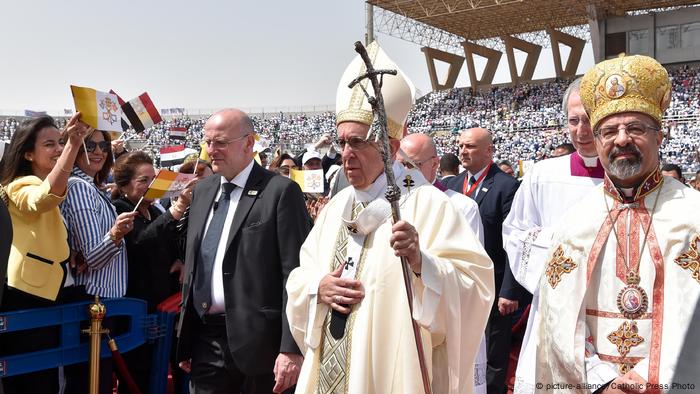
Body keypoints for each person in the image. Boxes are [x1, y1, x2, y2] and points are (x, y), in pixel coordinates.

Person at [286, 41, 494, 393]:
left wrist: (421, 263)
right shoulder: (335, 208)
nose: (346, 155)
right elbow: (301, 274)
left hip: (391, 372)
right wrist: (316, 288)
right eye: (342, 144)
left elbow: (474, 286)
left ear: (391, 147)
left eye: (358, 142)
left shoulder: (427, 204)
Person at [536, 55, 700, 391]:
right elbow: (559, 317)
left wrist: (648, 377)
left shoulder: (693, 214)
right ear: (597, 143)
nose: (621, 139)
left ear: (660, 136)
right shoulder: (576, 221)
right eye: (609, 131)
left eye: (636, 128)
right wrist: (602, 380)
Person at [175, 108, 311, 394]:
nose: (212, 150)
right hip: (206, 341)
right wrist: (186, 338)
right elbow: (196, 262)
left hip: (262, 346)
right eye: (207, 142)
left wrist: (291, 348)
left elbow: (296, 274)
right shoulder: (202, 191)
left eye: (221, 142)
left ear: (249, 143)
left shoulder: (280, 192)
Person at [502, 77, 605, 394]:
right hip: (553, 308)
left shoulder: (627, 176)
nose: (581, 130)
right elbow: (515, 233)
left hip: (607, 313)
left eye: (589, 120)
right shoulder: (543, 175)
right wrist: (563, 254)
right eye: (574, 121)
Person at [0, 114, 90, 394]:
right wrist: (75, 144)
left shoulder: (42, 183)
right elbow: (44, 198)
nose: (59, 149)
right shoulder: (19, 185)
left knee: (46, 375)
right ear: (28, 153)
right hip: (27, 294)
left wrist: (68, 253)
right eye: (50, 144)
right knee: (32, 380)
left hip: (45, 292)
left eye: (61, 142)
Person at [398, 132, 488, 393]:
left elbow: (468, 276)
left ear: (435, 164)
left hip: (446, 319)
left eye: (411, 165)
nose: (405, 172)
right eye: (400, 165)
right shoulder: (394, 205)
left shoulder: (461, 207)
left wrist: (422, 263)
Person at [60, 128, 138, 394]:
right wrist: (116, 233)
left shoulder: (92, 187)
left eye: (103, 145)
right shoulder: (79, 187)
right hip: (92, 303)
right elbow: (93, 256)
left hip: (102, 301)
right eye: (89, 145)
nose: (98, 151)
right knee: (91, 384)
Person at [448, 127, 524, 394]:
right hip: (457, 286)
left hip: (493, 287)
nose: (462, 151)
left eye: (469, 146)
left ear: (489, 150)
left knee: (492, 353)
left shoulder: (506, 187)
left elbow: (514, 243)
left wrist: (509, 290)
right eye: (460, 146)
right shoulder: (452, 186)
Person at [111, 151, 193, 392]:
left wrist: (179, 258)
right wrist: (177, 208)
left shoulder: (155, 212)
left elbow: (170, 241)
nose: (150, 186)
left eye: (153, 179)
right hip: (137, 313)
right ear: (124, 185)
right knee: (138, 376)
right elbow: (139, 244)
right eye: (143, 180)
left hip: (164, 312)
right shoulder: (119, 209)